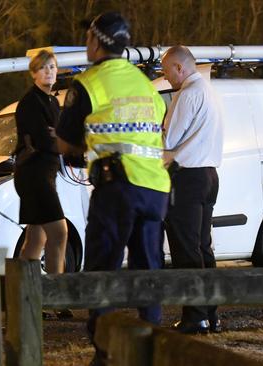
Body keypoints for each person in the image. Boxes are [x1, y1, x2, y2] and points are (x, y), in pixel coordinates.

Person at [56, 12, 170, 363]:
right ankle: (150, 351)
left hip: (117, 186)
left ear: (96, 41)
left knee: (102, 272)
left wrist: (82, 151)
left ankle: (105, 353)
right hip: (156, 189)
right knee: (148, 273)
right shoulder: (145, 84)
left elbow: (64, 142)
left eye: (88, 38)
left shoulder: (89, 83)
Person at [161, 45, 224, 334]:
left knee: (186, 248)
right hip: (210, 174)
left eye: (166, 71)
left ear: (178, 67)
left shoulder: (187, 94)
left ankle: (194, 316)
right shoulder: (211, 93)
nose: (166, 78)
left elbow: (170, 138)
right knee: (202, 247)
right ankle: (211, 314)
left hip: (186, 177)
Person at [13, 50, 71, 319]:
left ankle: (23, 296)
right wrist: (58, 137)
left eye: (53, 67)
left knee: (35, 239)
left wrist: (57, 135)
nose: (49, 71)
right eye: (44, 68)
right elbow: (42, 139)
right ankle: (53, 299)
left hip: (45, 173)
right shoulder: (29, 103)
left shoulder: (52, 102)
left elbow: (58, 135)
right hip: (33, 174)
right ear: (33, 73)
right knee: (59, 232)